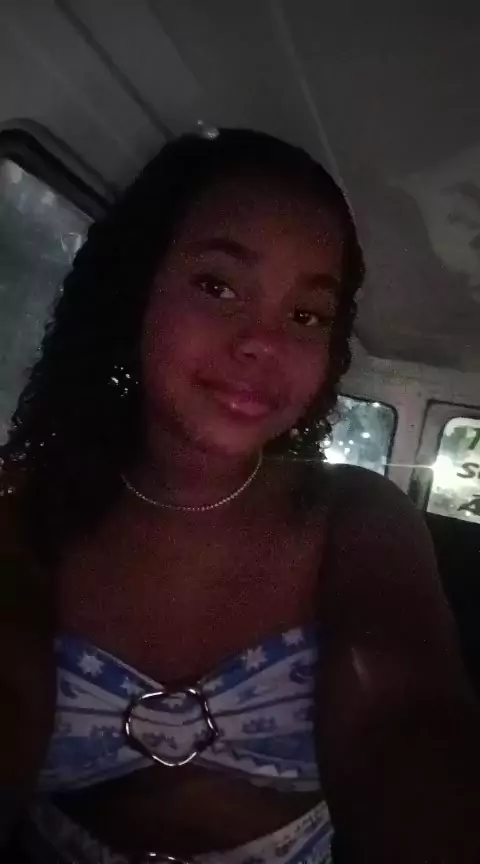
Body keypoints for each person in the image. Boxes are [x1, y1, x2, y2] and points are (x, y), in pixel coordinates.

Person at [0, 128, 478, 864]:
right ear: (136, 292)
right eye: (217, 287)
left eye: (305, 315)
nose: (264, 342)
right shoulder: (26, 501)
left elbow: (404, 722)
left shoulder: (356, 515)